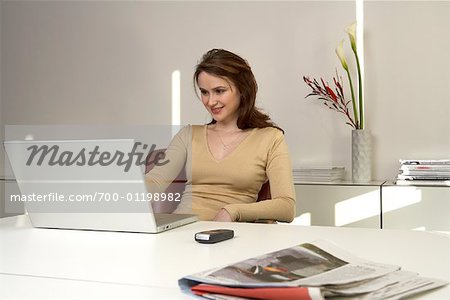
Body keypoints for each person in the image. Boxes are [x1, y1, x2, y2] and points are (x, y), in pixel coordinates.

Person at [145, 49, 295, 222]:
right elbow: (155, 182)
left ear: (242, 89)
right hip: (181, 232)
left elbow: (286, 206)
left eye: (219, 91)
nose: (210, 101)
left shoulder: (270, 138)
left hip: (232, 237)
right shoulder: (189, 135)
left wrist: (232, 211)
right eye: (204, 92)